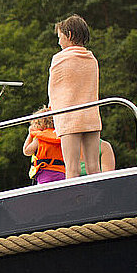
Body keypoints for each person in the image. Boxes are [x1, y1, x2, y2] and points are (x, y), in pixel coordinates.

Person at [47, 14, 105, 179]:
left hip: (69, 117)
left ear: (69, 35)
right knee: (94, 167)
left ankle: (74, 202)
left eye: (60, 37)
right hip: (90, 115)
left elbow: (53, 88)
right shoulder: (91, 58)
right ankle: (99, 201)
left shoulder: (59, 59)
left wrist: (51, 110)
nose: (59, 42)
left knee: (72, 168)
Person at [23, 109, 66, 185]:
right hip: (62, 173)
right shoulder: (60, 136)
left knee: (45, 195)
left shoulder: (40, 138)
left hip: (46, 174)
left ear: (39, 124)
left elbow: (27, 151)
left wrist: (30, 134)